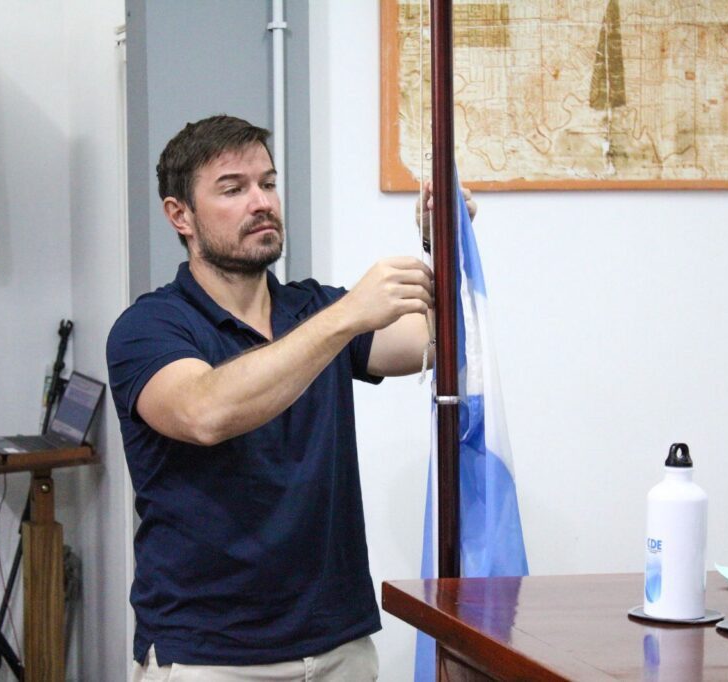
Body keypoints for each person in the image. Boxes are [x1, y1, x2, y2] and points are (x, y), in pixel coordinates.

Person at [108, 114, 472, 681]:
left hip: (339, 648)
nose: (261, 202)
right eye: (233, 188)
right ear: (180, 215)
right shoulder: (149, 327)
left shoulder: (313, 308)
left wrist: (446, 243)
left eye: (268, 183)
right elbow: (205, 412)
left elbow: (441, 341)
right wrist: (345, 318)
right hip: (210, 657)